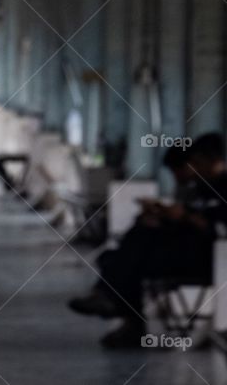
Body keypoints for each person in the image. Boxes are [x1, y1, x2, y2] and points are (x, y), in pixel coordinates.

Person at [68, 133, 227, 348]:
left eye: (195, 163)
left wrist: (183, 216)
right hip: (186, 250)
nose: (191, 170)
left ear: (208, 159)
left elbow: (217, 228)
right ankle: (117, 307)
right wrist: (162, 215)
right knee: (130, 243)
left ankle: (119, 309)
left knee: (128, 259)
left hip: (211, 260)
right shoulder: (200, 188)